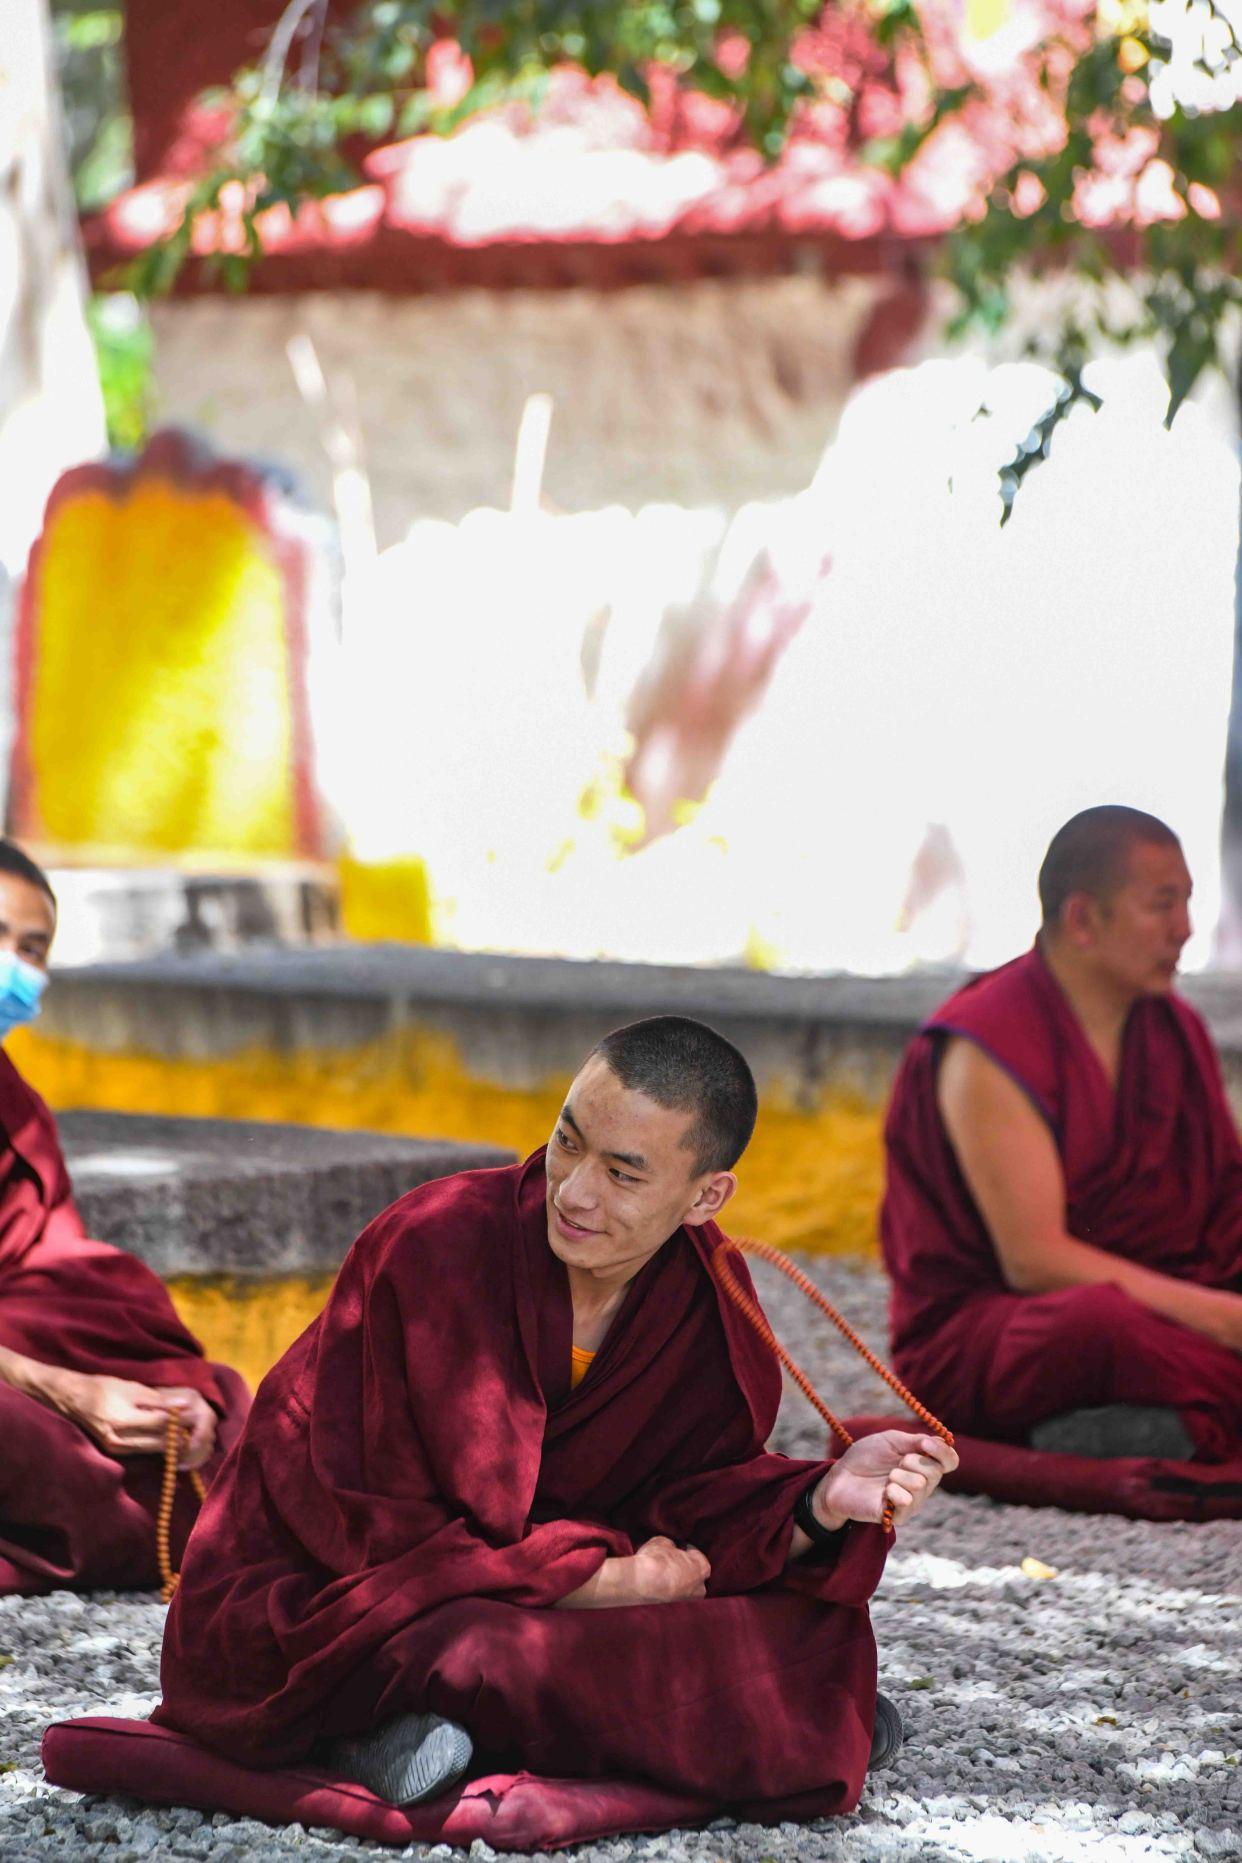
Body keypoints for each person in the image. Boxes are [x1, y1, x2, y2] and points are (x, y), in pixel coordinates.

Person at [155, 1016, 956, 1819]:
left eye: (623, 1173)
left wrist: (819, 1502)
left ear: (705, 1195)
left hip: (529, 1589)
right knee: (483, 1649)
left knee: (816, 1627)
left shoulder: (703, 1299)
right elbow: (364, 1520)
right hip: (351, 1594)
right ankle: (772, 1722)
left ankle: (437, 1732)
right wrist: (589, 1582)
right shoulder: (435, 1245)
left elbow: (692, 1497)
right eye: (567, 1141)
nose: (574, 1191)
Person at [882, 805, 1242, 1463]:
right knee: (1101, 1323)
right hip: (1002, 1332)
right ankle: (1156, 1414)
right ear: (1082, 918)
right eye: (1162, 904)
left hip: (1162, 1298)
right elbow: (1035, 1260)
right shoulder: (990, 1041)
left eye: (1189, 902)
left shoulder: (1174, 1029)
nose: (1185, 930)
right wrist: (1219, 1318)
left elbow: (1223, 1205)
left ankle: (1153, 1418)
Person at [0, 839, 249, 1594]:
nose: (14, 964)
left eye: (33, 947)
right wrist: (68, 1390)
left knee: (221, 1400)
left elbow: (56, 1267)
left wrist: (169, 1390)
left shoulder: (15, 1103)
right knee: (46, 1449)